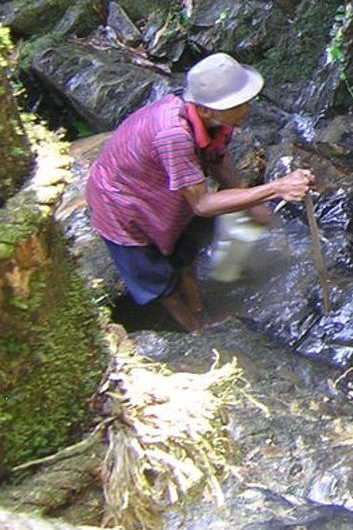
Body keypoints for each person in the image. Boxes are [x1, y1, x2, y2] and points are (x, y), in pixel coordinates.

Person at [85, 52, 312, 331]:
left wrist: (248, 200)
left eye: (246, 100)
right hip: (120, 205)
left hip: (163, 194)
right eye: (238, 104)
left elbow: (216, 158)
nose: (247, 109)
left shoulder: (216, 121)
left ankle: (200, 307)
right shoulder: (174, 135)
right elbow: (202, 204)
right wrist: (275, 188)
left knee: (184, 254)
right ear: (205, 109)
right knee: (159, 281)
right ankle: (197, 329)